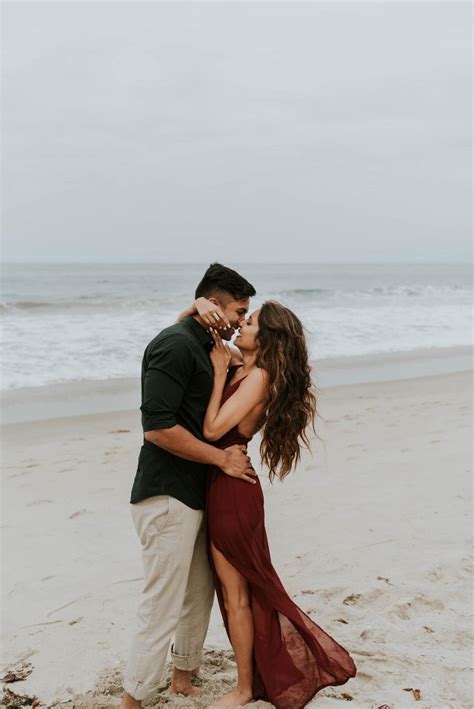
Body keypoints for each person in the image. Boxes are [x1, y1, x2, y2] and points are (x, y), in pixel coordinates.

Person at [201, 301, 357, 709]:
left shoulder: (258, 376)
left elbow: (213, 428)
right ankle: (251, 679)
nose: (241, 324)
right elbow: (210, 336)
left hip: (232, 488)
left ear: (265, 338)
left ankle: (244, 688)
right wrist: (198, 305)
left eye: (248, 321)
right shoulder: (247, 364)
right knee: (244, 588)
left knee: (237, 592)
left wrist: (219, 376)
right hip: (228, 482)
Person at [121, 264, 257, 709]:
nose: (241, 320)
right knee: (160, 604)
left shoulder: (208, 342)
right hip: (165, 494)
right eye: (239, 310)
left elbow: (250, 361)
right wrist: (221, 459)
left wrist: (194, 310)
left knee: (198, 593)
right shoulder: (174, 344)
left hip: (198, 491)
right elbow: (158, 429)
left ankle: (182, 678)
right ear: (215, 304)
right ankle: (133, 699)